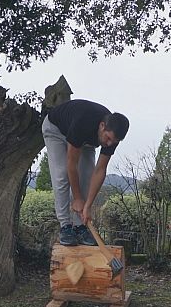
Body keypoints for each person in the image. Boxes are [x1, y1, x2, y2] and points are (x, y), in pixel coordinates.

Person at [41, 99, 129, 246]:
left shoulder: (112, 137)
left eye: (113, 142)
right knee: (62, 174)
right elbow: (71, 164)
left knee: (87, 175)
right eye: (108, 139)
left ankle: (80, 226)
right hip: (56, 130)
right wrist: (77, 198)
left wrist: (88, 205)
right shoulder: (83, 121)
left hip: (86, 140)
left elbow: (100, 170)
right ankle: (65, 226)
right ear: (102, 126)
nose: (109, 144)